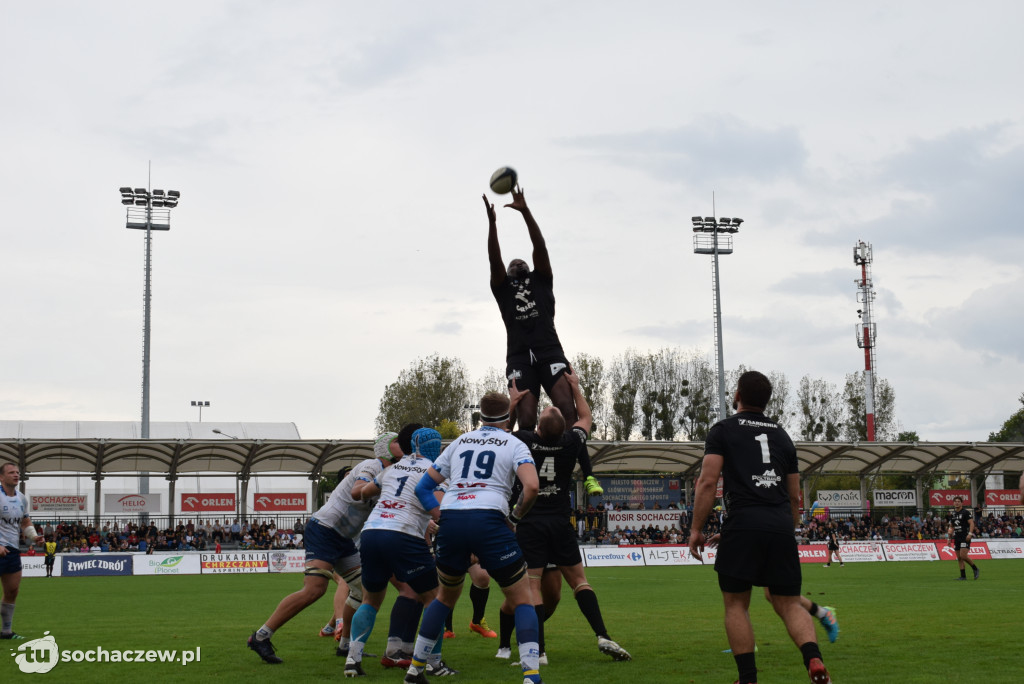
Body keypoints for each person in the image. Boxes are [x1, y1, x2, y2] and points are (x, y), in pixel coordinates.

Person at [689, 371, 831, 684]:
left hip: (742, 523)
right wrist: (785, 529)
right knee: (789, 603)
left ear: (736, 394)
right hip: (780, 526)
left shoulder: (723, 430)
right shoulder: (782, 436)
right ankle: (815, 660)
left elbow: (708, 481)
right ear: (766, 400)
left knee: (736, 605)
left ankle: (748, 679)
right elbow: (794, 496)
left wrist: (696, 528)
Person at [405, 390, 542, 684]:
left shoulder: (458, 442)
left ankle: (415, 669)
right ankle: (531, 676)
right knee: (522, 600)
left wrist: (443, 516)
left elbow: (422, 489)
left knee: (443, 598)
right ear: (508, 418)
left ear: (480, 417)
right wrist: (514, 520)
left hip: (453, 518)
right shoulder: (514, 443)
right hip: (490, 519)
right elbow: (531, 487)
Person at [498, 371, 631, 663]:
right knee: (580, 581)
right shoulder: (571, 442)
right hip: (560, 521)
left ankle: (540, 652)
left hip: (530, 522)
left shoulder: (524, 441)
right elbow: (586, 418)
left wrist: (513, 402)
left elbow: (502, 432)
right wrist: (575, 388)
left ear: (539, 430)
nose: (550, 405)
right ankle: (603, 635)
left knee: (532, 586)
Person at [482, 190, 598, 506]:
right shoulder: (502, 289)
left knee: (567, 409)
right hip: (520, 357)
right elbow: (494, 257)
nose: (516, 260)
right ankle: (525, 482)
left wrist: (525, 211)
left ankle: (586, 475)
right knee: (527, 420)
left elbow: (540, 246)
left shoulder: (542, 280)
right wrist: (492, 225)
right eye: (511, 262)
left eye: (521, 261)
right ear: (505, 274)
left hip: (550, 351)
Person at [247, 433, 399, 664]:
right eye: (398, 442)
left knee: (362, 590)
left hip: (342, 538)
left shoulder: (391, 475)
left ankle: (345, 645)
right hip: (324, 529)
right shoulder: (372, 465)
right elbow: (357, 489)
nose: (404, 446)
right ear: (385, 448)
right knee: (314, 590)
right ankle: (260, 636)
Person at [344, 428, 452, 678]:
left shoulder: (391, 469)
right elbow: (438, 507)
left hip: (372, 532)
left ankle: (352, 660)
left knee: (371, 600)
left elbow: (363, 493)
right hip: (403, 534)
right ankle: (433, 663)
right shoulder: (435, 471)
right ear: (435, 447)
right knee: (435, 600)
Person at [0, 464, 38, 639]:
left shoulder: (22, 498)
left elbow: (25, 522)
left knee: (12, 591)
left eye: (17, 472)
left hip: (12, 550)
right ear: (2, 477)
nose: (16, 475)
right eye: (11, 473)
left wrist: (34, 536)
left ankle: (7, 631)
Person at [947, 496, 980, 580]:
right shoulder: (953, 514)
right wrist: (949, 539)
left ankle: (975, 568)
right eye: (955, 501)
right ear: (953, 503)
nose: (957, 503)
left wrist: (970, 534)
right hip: (957, 537)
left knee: (963, 555)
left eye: (958, 501)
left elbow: (971, 523)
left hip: (964, 536)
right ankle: (963, 576)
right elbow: (951, 527)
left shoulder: (965, 512)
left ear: (962, 503)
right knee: (959, 558)